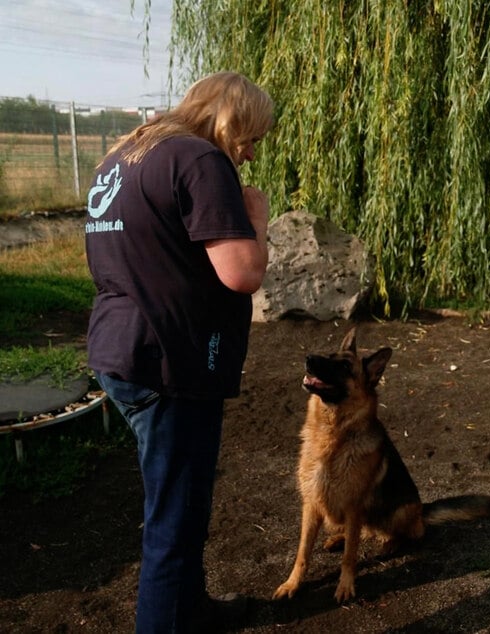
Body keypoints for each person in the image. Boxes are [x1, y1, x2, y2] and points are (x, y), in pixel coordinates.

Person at [84, 71, 273, 633]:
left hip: (120, 349)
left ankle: (192, 610)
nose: (250, 152)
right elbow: (242, 273)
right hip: (170, 361)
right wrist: (256, 218)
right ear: (229, 118)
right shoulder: (200, 159)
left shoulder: (125, 156)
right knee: (174, 520)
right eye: (251, 136)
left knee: (180, 505)